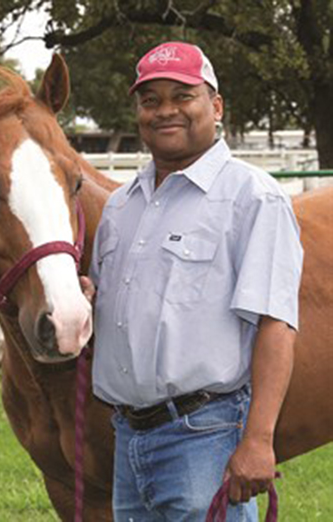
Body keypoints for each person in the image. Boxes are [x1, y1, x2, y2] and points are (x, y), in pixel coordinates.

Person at [82, 41, 303, 521]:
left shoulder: (252, 198)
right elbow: (113, 308)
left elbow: (275, 324)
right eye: (150, 100)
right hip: (129, 437)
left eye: (182, 95)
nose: (165, 111)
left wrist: (259, 441)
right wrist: (86, 300)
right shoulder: (122, 206)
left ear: (216, 106)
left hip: (204, 434)